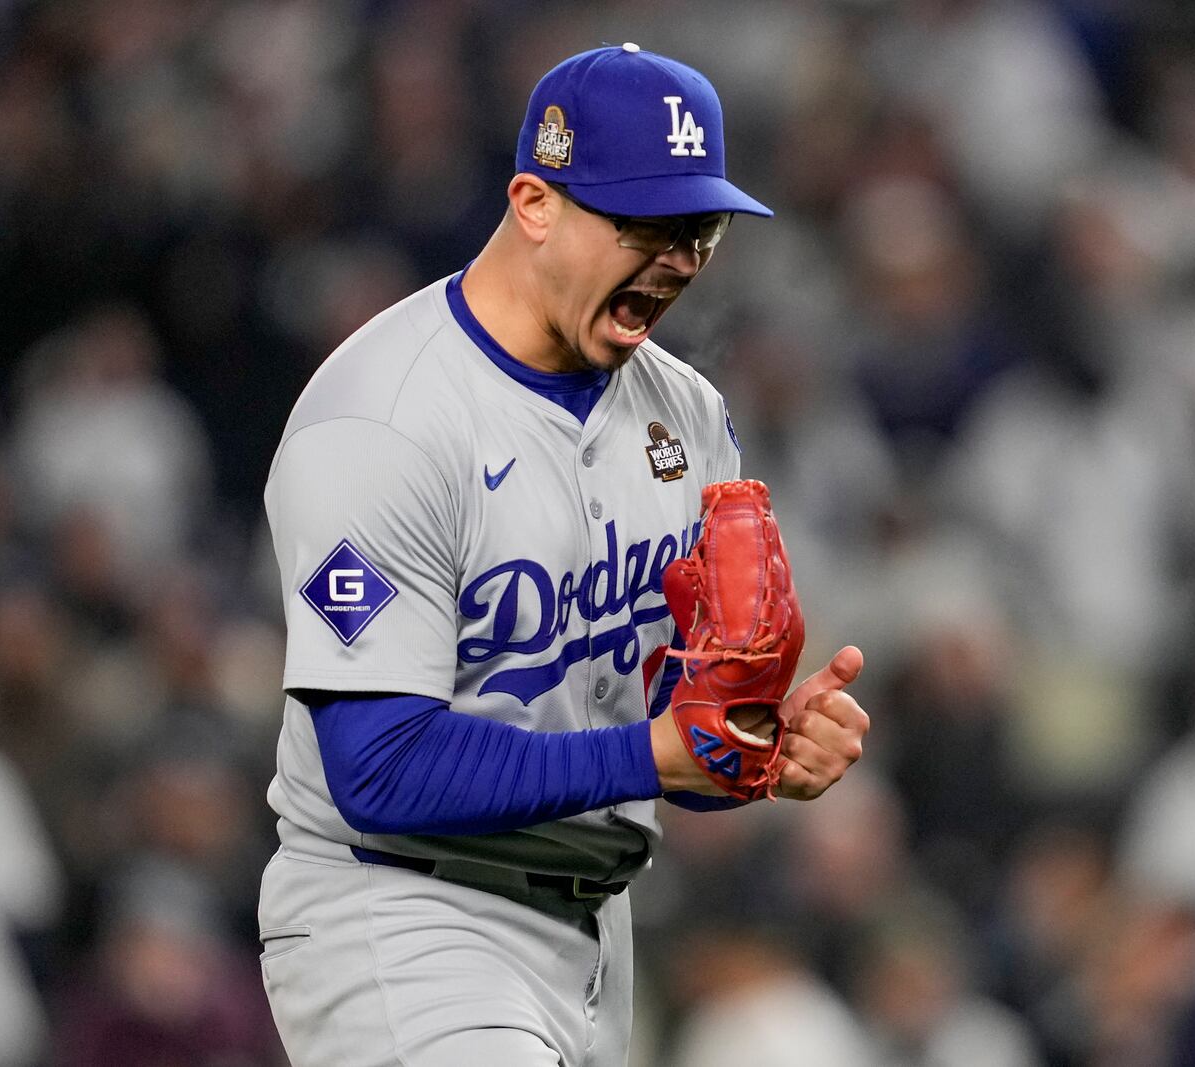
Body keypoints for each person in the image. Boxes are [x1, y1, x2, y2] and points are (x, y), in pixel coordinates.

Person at [255, 44, 871, 1067]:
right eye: (645, 223)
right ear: (534, 202)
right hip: (403, 905)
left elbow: (674, 725)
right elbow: (378, 767)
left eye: (700, 228)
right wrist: (654, 754)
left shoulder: (686, 414)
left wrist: (756, 744)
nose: (679, 257)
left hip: (595, 930)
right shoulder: (384, 420)